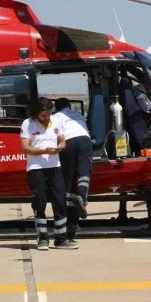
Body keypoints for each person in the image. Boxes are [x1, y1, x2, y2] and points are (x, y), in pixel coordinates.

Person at [20, 97, 78, 250]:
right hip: (36, 168)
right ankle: (42, 238)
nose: (47, 118)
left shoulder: (56, 121)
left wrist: (60, 147)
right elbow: (25, 148)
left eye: (49, 114)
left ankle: (61, 238)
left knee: (60, 202)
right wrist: (43, 151)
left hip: (55, 167)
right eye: (43, 115)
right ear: (36, 113)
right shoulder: (28, 124)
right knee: (39, 202)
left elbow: (62, 140)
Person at [54, 97, 93, 241]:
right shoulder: (78, 115)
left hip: (68, 142)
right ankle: (82, 197)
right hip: (84, 140)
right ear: (69, 106)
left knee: (68, 180)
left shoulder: (55, 117)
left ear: (56, 108)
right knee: (83, 171)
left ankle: (71, 223)